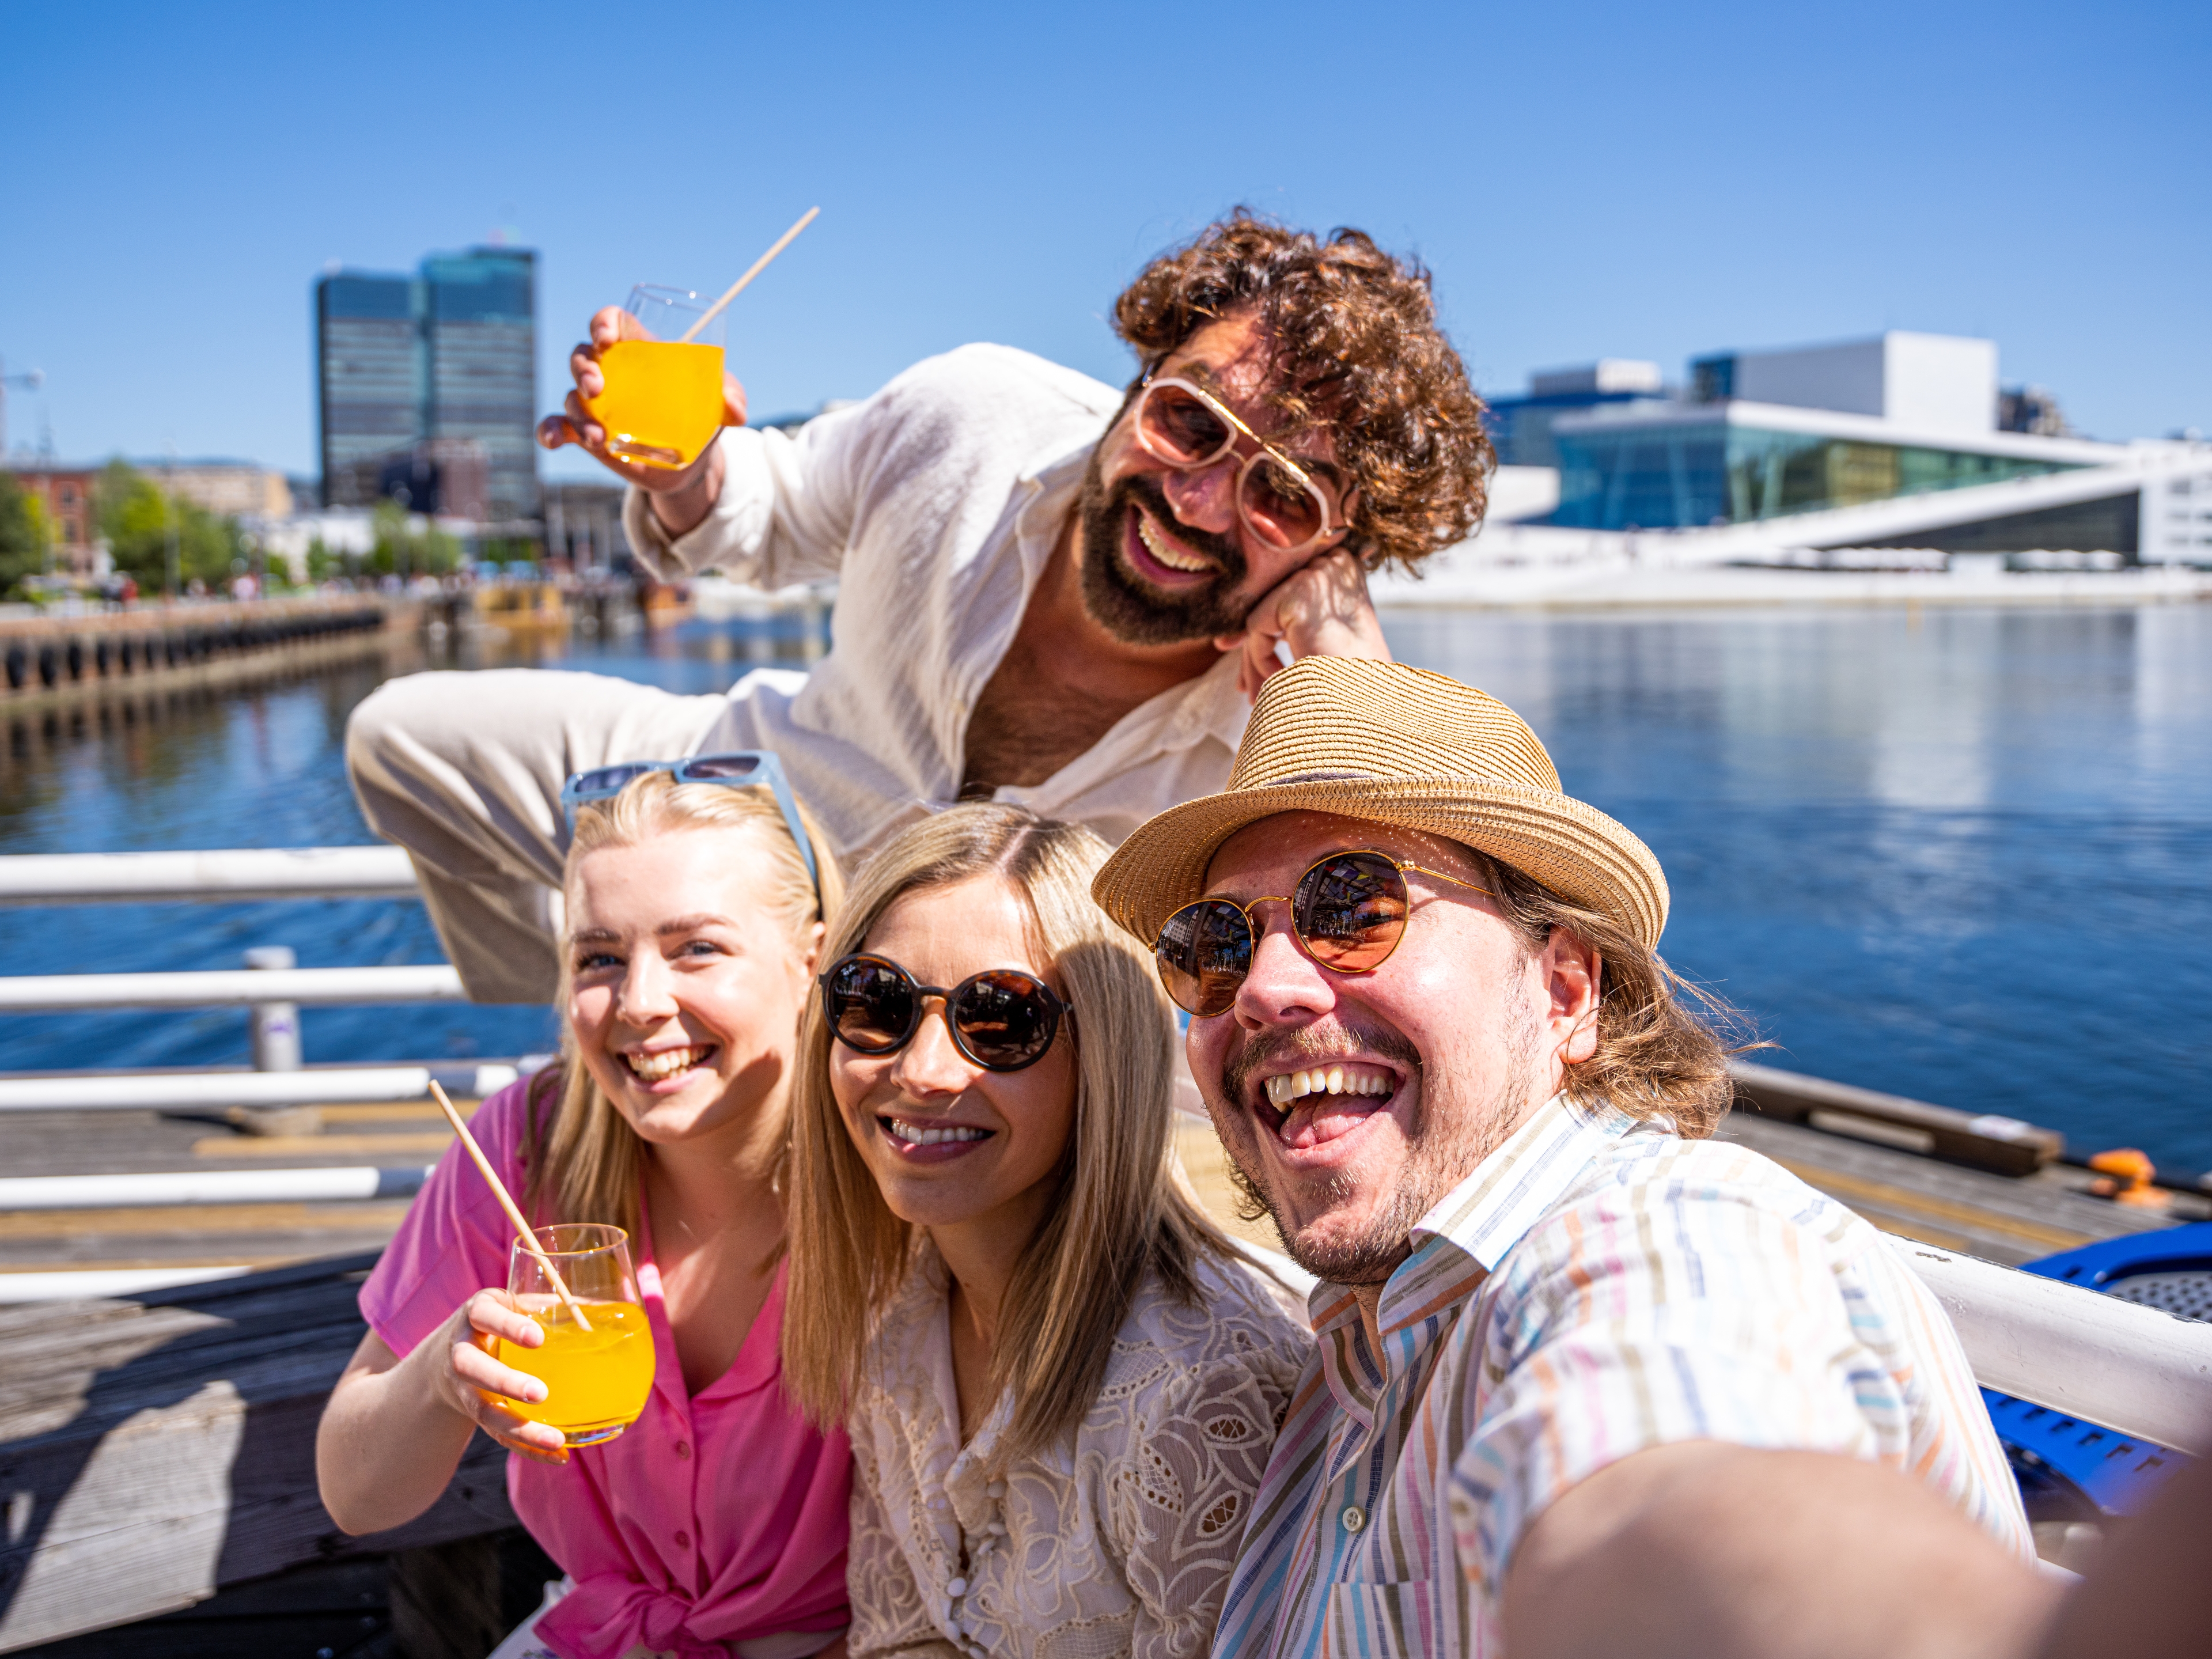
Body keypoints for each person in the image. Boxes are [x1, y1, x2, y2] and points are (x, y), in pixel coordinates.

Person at [1085, 655, 2054, 1659]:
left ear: (1564, 996)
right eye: (1215, 942)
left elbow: (1670, 1477)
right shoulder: (1363, 1352)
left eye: (1354, 908)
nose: (1264, 988)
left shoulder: (1674, 1242)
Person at [346, 211, 1494, 1003]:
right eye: (1191, 423)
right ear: (1140, 381)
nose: (1197, 501)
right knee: (405, 740)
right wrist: (687, 471)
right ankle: (613, 1050)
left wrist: (1344, 652)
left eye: (1281, 496)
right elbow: (775, 507)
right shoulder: (973, 411)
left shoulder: (1293, 725)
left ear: (1340, 547)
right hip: (754, 792)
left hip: (955, 1025)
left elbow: (1432, 938)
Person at [316, 759, 853, 1659]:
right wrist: (444, 1377)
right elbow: (357, 1494)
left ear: (811, 963)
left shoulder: (891, 1170)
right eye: (600, 957)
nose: (639, 1003)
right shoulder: (526, 1145)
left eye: (697, 949)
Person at [779, 802, 1310, 1657]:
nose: (920, 1070)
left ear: (1105, 1051)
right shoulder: (898, 1318)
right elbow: (902, 1639)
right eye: (877, 1002)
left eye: (999, 1021)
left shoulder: (1202, 1392)